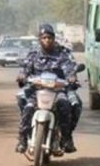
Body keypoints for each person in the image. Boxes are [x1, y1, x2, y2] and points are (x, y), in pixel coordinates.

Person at [16, 24, 80, 154]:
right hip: (37, 90)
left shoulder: (62, 53)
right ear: (40, 39)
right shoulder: (33, 54)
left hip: (57, 91)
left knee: (67, 104)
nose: (47, 40)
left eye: (50, 38)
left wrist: (72, 77)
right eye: (44, 38)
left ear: (54, 39)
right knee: (27, 106)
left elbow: (69, 68)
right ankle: (22, 139)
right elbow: (25, 69)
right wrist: (22, 75)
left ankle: (66, 138)